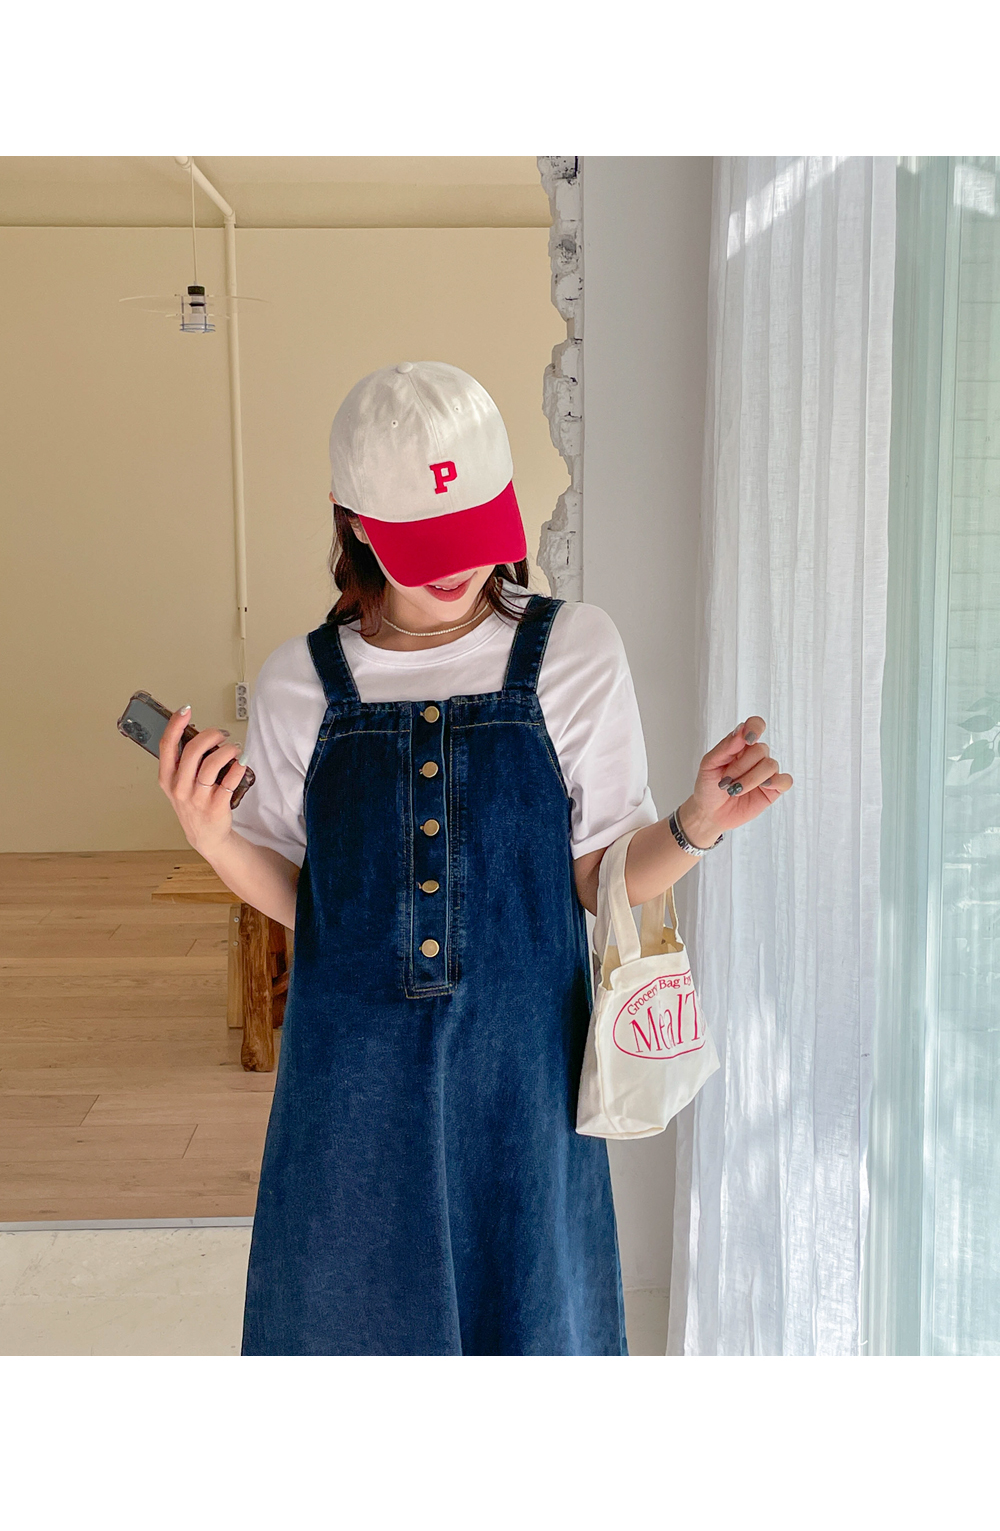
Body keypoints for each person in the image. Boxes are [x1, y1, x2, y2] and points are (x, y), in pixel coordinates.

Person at [157, 360, 792, 1356]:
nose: (457, 568)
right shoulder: (295, 683)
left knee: (531, 1331)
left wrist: (696, 824)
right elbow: (306, 898)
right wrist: (211, 838)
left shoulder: (575, 651)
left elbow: (598, 879)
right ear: (353, 521)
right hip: (350, 1075)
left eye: (476, 528)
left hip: (523, 1076)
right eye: (426, 543)